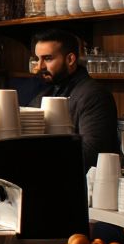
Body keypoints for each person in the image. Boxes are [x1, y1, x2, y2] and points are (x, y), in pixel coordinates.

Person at [29, 28, 118, 171]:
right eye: (37, 59)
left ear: (70, 59)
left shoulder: (94, 95)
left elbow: (91, 154)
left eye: (47, 58)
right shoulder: (45, 94)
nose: (39, 66)